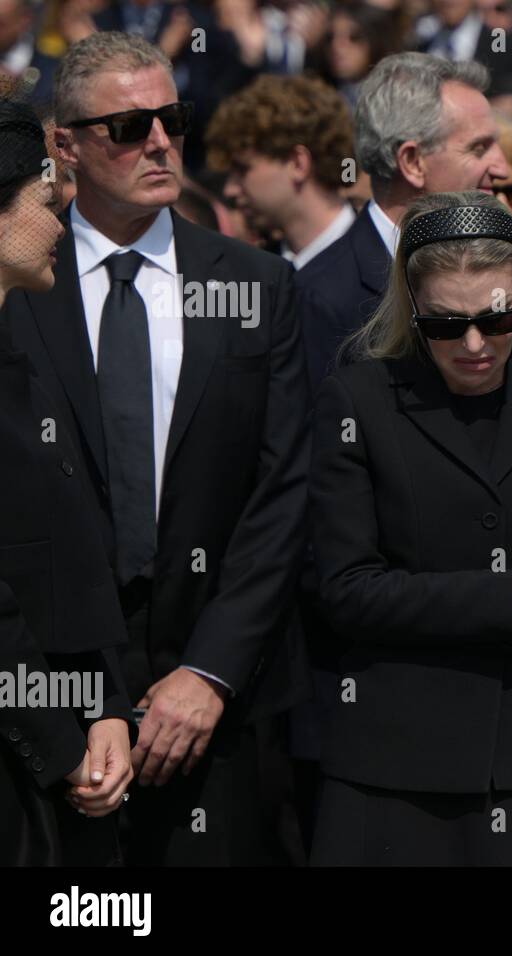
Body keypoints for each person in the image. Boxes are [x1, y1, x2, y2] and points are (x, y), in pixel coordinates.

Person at [1, 32, 312, 866]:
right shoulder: (22, 275)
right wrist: (70, 706)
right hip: (56, 701)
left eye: (172, 118)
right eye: (129, 126)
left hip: (222, 702)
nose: (161, 142)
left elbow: (283, 492)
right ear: (63, 145)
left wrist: (210, 673)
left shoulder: (257, 283)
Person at [308, 190, 512, 865]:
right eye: (447, 325)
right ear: (411, 305)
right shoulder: (360, 399)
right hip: (391, 768)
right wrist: (510, 592)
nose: (477, 344)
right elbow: (344, 590)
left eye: (498, 316)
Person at [0, 98, 134, 866]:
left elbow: (68, 562)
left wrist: (105, 708)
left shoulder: (25, 357)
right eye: (44, 205)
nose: (60, 225)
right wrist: (61, 740)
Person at [295, 53, 509, 389]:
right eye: (479, 148)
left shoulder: (506, 266)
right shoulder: (323, 297)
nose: (503, 168)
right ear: (412, 162)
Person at [205, 75, 357, 279]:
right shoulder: (250, 273)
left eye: (242, 170)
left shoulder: (386, 264)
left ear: (298, 164)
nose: (230, 189)